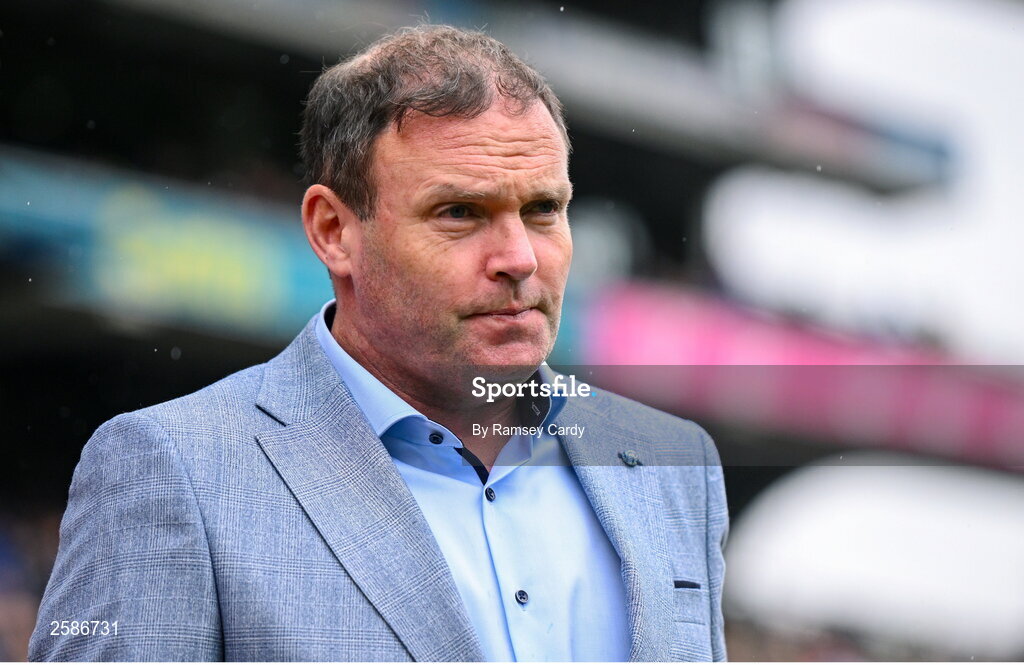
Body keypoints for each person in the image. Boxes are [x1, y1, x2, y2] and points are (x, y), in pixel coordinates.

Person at [29, 25, 727, 662]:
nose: (520, 257)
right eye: (460, 212)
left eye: (543, 209)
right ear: (334, 231)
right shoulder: (170, 470)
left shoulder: (674, 464)